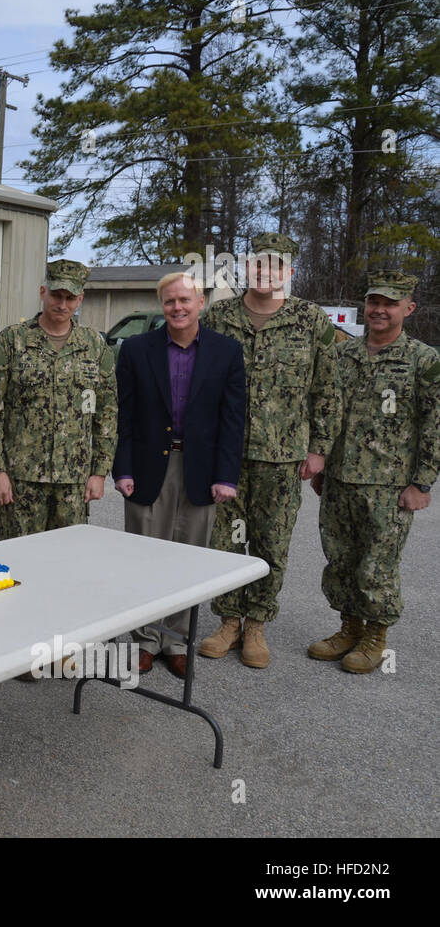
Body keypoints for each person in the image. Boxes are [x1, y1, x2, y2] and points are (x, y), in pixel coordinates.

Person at [198, 232, 339, 669]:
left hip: (282, 458)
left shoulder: (310, 321)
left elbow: (327, 390)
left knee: (270, 543)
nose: (266, 272)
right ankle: (228, 621)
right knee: (224, 542)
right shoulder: (218, 317)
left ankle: (256, 624)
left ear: (289, 273)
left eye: (276, 265)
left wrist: (319, 451)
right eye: (258, 263)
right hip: (226, 456)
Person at [114, 271, 245, 678]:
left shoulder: (226, 352)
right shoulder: (137, 350)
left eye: (185, 300)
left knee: (188, 561)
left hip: (201, 471)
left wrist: (226, 475)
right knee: (144, 560)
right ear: (162, 304)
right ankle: (145, 641)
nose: (177, 308)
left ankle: (177, 640)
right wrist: (123, 469)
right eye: (170, 301)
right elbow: (124, 415)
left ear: (200, 303)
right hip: (149, 468)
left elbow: (232, 419)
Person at [310, 270, 439, 673]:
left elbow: (435, 423)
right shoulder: (343, 354)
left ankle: (375, 637)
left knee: (377, 566)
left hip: (389, 484)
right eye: (374, 302)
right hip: (340, 478)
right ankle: (349, 628)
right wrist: (321, 461)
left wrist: (422, 482)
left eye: (390, 303)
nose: (379, 310)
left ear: (408, 308)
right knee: (341, 560)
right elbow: (328, 411)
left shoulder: (423, 359)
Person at [0, 259, 116, 540]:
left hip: (73, 481)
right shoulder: (12, 341)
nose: (62, 304)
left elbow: (107, 411)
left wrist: (100, 472)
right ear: (43, 292)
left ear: (80, 299)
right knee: (17, 559)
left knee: (67, 562)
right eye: (56, 295)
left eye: (70, 298)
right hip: (20, 480)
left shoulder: (94, 345)